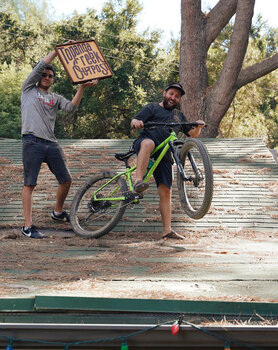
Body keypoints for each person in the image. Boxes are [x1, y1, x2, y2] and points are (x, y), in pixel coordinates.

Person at [21, 43, 98, 239]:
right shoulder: (28, 89)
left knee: (66, 180)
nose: (47, 77)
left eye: (50, 76)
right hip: (32, 141)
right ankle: (28, 227)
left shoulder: (55, 97)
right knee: (30, 184)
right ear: (39, 77)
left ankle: (57, 212)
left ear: (53, 80)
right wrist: (58, 51)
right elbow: (40, 66)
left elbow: (71, 108)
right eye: (44, 75)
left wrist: (82, 87)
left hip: (51, 143)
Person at [131, 82, 205, 240]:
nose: (173, 98)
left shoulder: (178, 115)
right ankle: (138, 180)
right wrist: (136, 122)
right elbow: (135, 120)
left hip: (164, 154)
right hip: (146, 143)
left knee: (166, 191)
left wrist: (197, 126)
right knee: (148, 143)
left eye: (177, 96)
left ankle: (167, 231)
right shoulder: (152, 107)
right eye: (171, 94)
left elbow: (192, 134)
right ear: (165, 93)